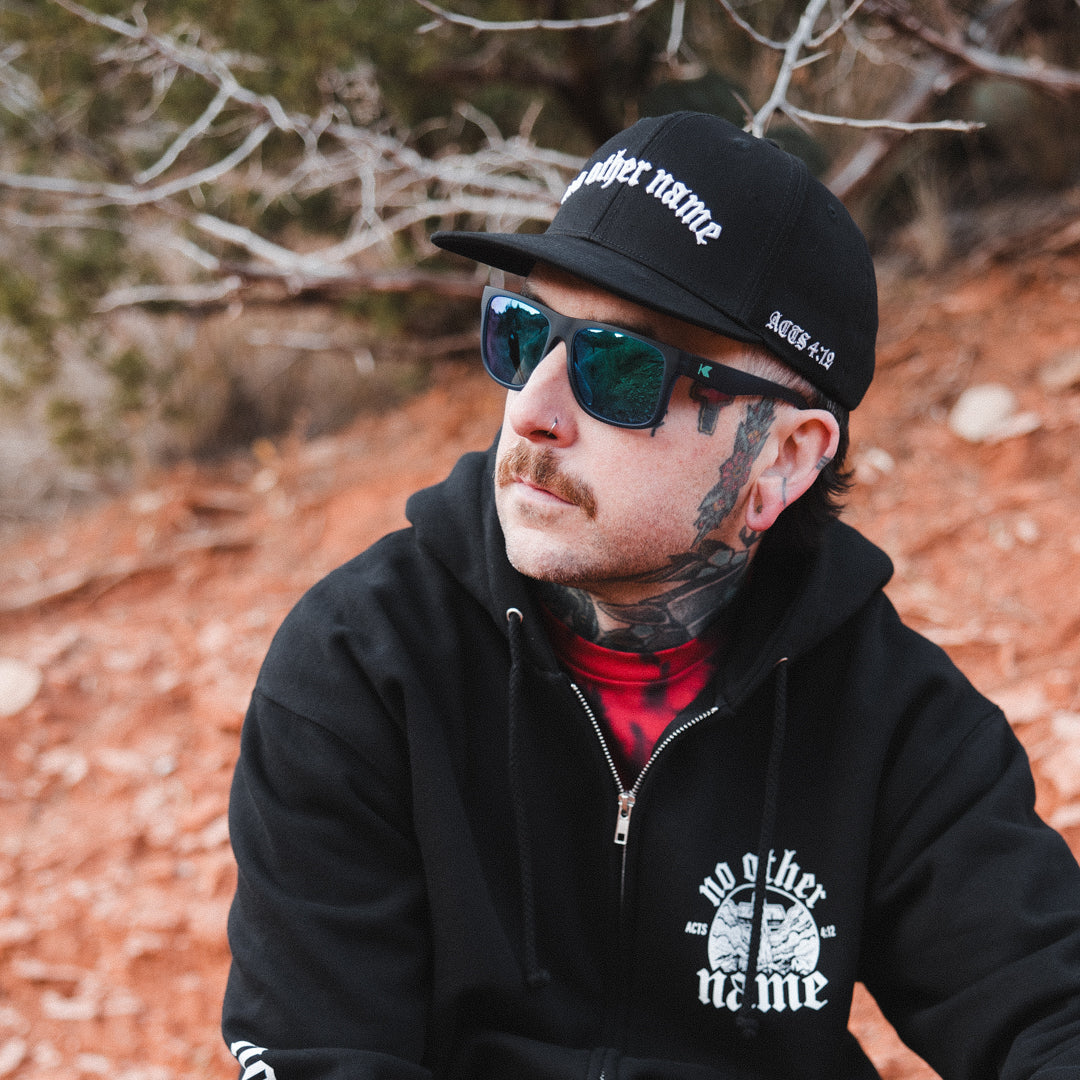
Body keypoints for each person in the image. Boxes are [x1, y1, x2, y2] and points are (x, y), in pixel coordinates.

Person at [221, 112, 1080, 1080]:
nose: (534, 412)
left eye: (619, 368)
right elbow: (321, 1055)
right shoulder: (364, 664)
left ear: (782, 460)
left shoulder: (891, 715)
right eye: (523, 335)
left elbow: (1052, 1011)